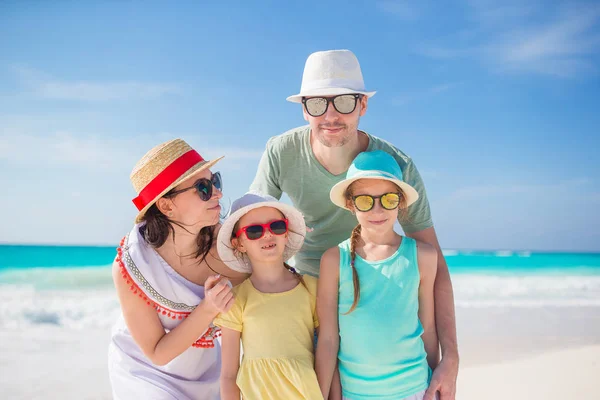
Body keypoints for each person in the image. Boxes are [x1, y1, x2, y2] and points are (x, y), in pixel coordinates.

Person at [250, 49, 458, 399]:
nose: (330, 115)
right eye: (317, 104)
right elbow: (248, 225)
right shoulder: (280, 151)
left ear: (362, 105)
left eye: (343, 102)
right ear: (304, 108)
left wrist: (449, 359)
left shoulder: (396, 165)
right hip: (306, 290)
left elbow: (434, 266)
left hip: (372, 292)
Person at [108, 138, 248, 400]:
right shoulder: (133, 264)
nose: (217, 193)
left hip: (206, 370)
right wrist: (208, 308)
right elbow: (157, 353)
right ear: (167, 205)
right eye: (203, 188)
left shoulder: (233, 246)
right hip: (145, 372)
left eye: (215, 181)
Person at [316, 150, 439, 400]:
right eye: (365, 201)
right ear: (351, 204)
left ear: (401, 202)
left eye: (388, 199)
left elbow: (428, 330)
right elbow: (328, 339)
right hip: (355, 394)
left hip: (414, 390)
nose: (377, 209)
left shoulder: (423, 256)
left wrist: (436, 383)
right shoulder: (333, 260)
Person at [213, 192, 322, 400]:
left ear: (286, 232)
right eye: (254, 231)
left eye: (276, 226)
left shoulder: (311, 288)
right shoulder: (236, 299)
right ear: (239, 244)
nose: (267, 235)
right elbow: (228, 375)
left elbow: (328, 349)